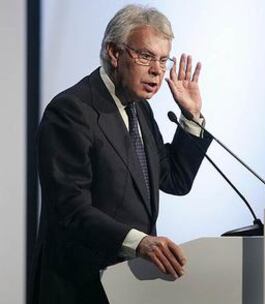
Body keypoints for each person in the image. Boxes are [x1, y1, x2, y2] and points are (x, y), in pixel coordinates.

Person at [31, 4, 212, 304]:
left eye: (163, 60)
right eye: (146, 56)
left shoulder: (140, 109)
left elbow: (174, 179)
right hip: (79, 288)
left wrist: (192, 117)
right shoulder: (71, 111)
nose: (157, 70)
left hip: (128, 289)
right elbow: (70, 210)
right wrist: (141, 244)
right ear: (114, 53)